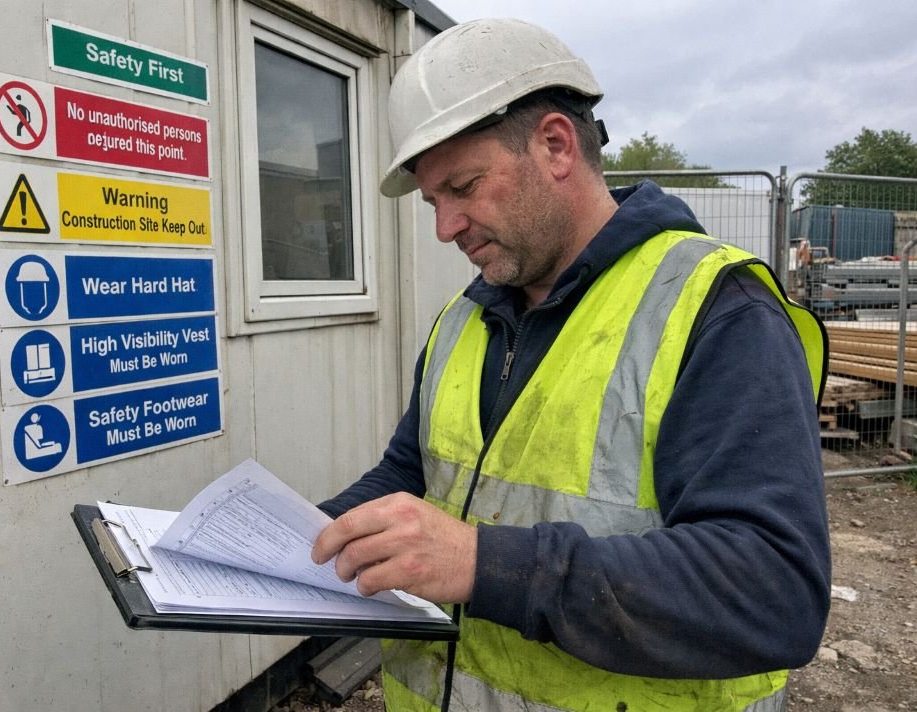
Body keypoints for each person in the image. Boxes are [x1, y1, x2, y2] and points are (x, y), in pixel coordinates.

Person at [310, 17, 830, 712]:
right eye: (435, 202)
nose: (445, 227)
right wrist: (292, 544)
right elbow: (409, 476)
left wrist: (482, 563)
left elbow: (775, 590)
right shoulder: (467, 317)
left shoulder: (716, 309)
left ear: (556, 145)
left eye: (463, 187)